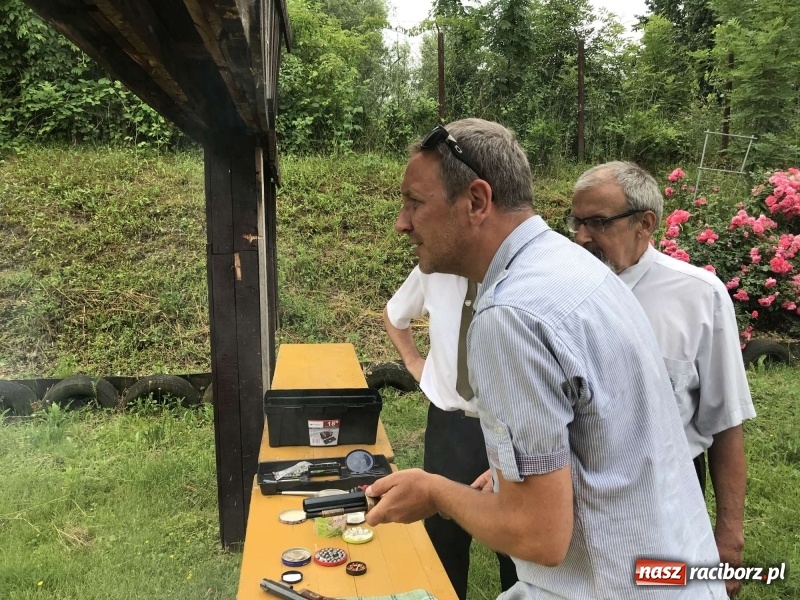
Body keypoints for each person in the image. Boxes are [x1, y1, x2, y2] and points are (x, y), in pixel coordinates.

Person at [365, 118, 724, 599]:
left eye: (414, 202)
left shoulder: (510, 315)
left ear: (477, 201)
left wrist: (435, 492)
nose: (402, 222)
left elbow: (537, 535)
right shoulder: (576, 268)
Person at [568, 161, 757, 598]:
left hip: (667, 491)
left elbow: (725, 422)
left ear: (645, 223)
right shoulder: (563, 292)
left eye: (597, 222)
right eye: (576, 222)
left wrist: (729, 536)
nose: (580, 237)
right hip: (575, 492)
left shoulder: (698, 296)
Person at [384, 268, 518, 599]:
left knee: (517, 544)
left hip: (512, 429)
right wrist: (413, 362)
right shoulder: (433, 268)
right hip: (450, 426)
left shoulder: (521, 269)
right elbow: (395, 314)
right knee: (443, 541)